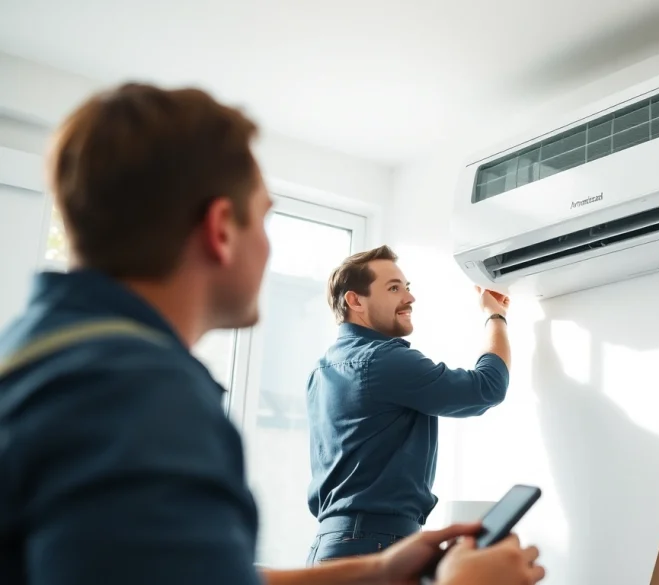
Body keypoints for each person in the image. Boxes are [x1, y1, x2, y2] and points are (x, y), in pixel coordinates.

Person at [0, 82, 544, 585]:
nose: (268, 246)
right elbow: (481, 389)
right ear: (219, 230)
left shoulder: (49, 361)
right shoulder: (142, 399)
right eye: (264, 218)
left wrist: (376, 570)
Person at [305, 247, 512, 563]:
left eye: (407, 287)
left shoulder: (322, 370)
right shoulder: (384, 361)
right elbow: (487, 388)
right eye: (393, 288)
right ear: (355, 301)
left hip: (331, 546)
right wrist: (495, 316)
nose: (410, 298)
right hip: (372, 546)